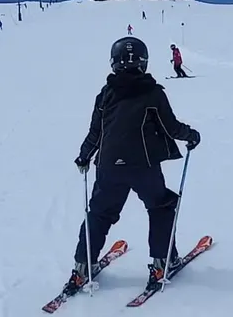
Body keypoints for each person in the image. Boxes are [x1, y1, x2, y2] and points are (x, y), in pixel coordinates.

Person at [63, 36, 201, 295]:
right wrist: (191, 135)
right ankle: (161, 263)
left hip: (108, 167)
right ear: (144, 62)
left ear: (114, 63)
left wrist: (84, 156)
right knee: (160, 207)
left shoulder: (105, 94)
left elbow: (96, 132)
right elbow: (170, 127)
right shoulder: (153, 93)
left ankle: (82, 267)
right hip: (143, 166)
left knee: (100, 213)